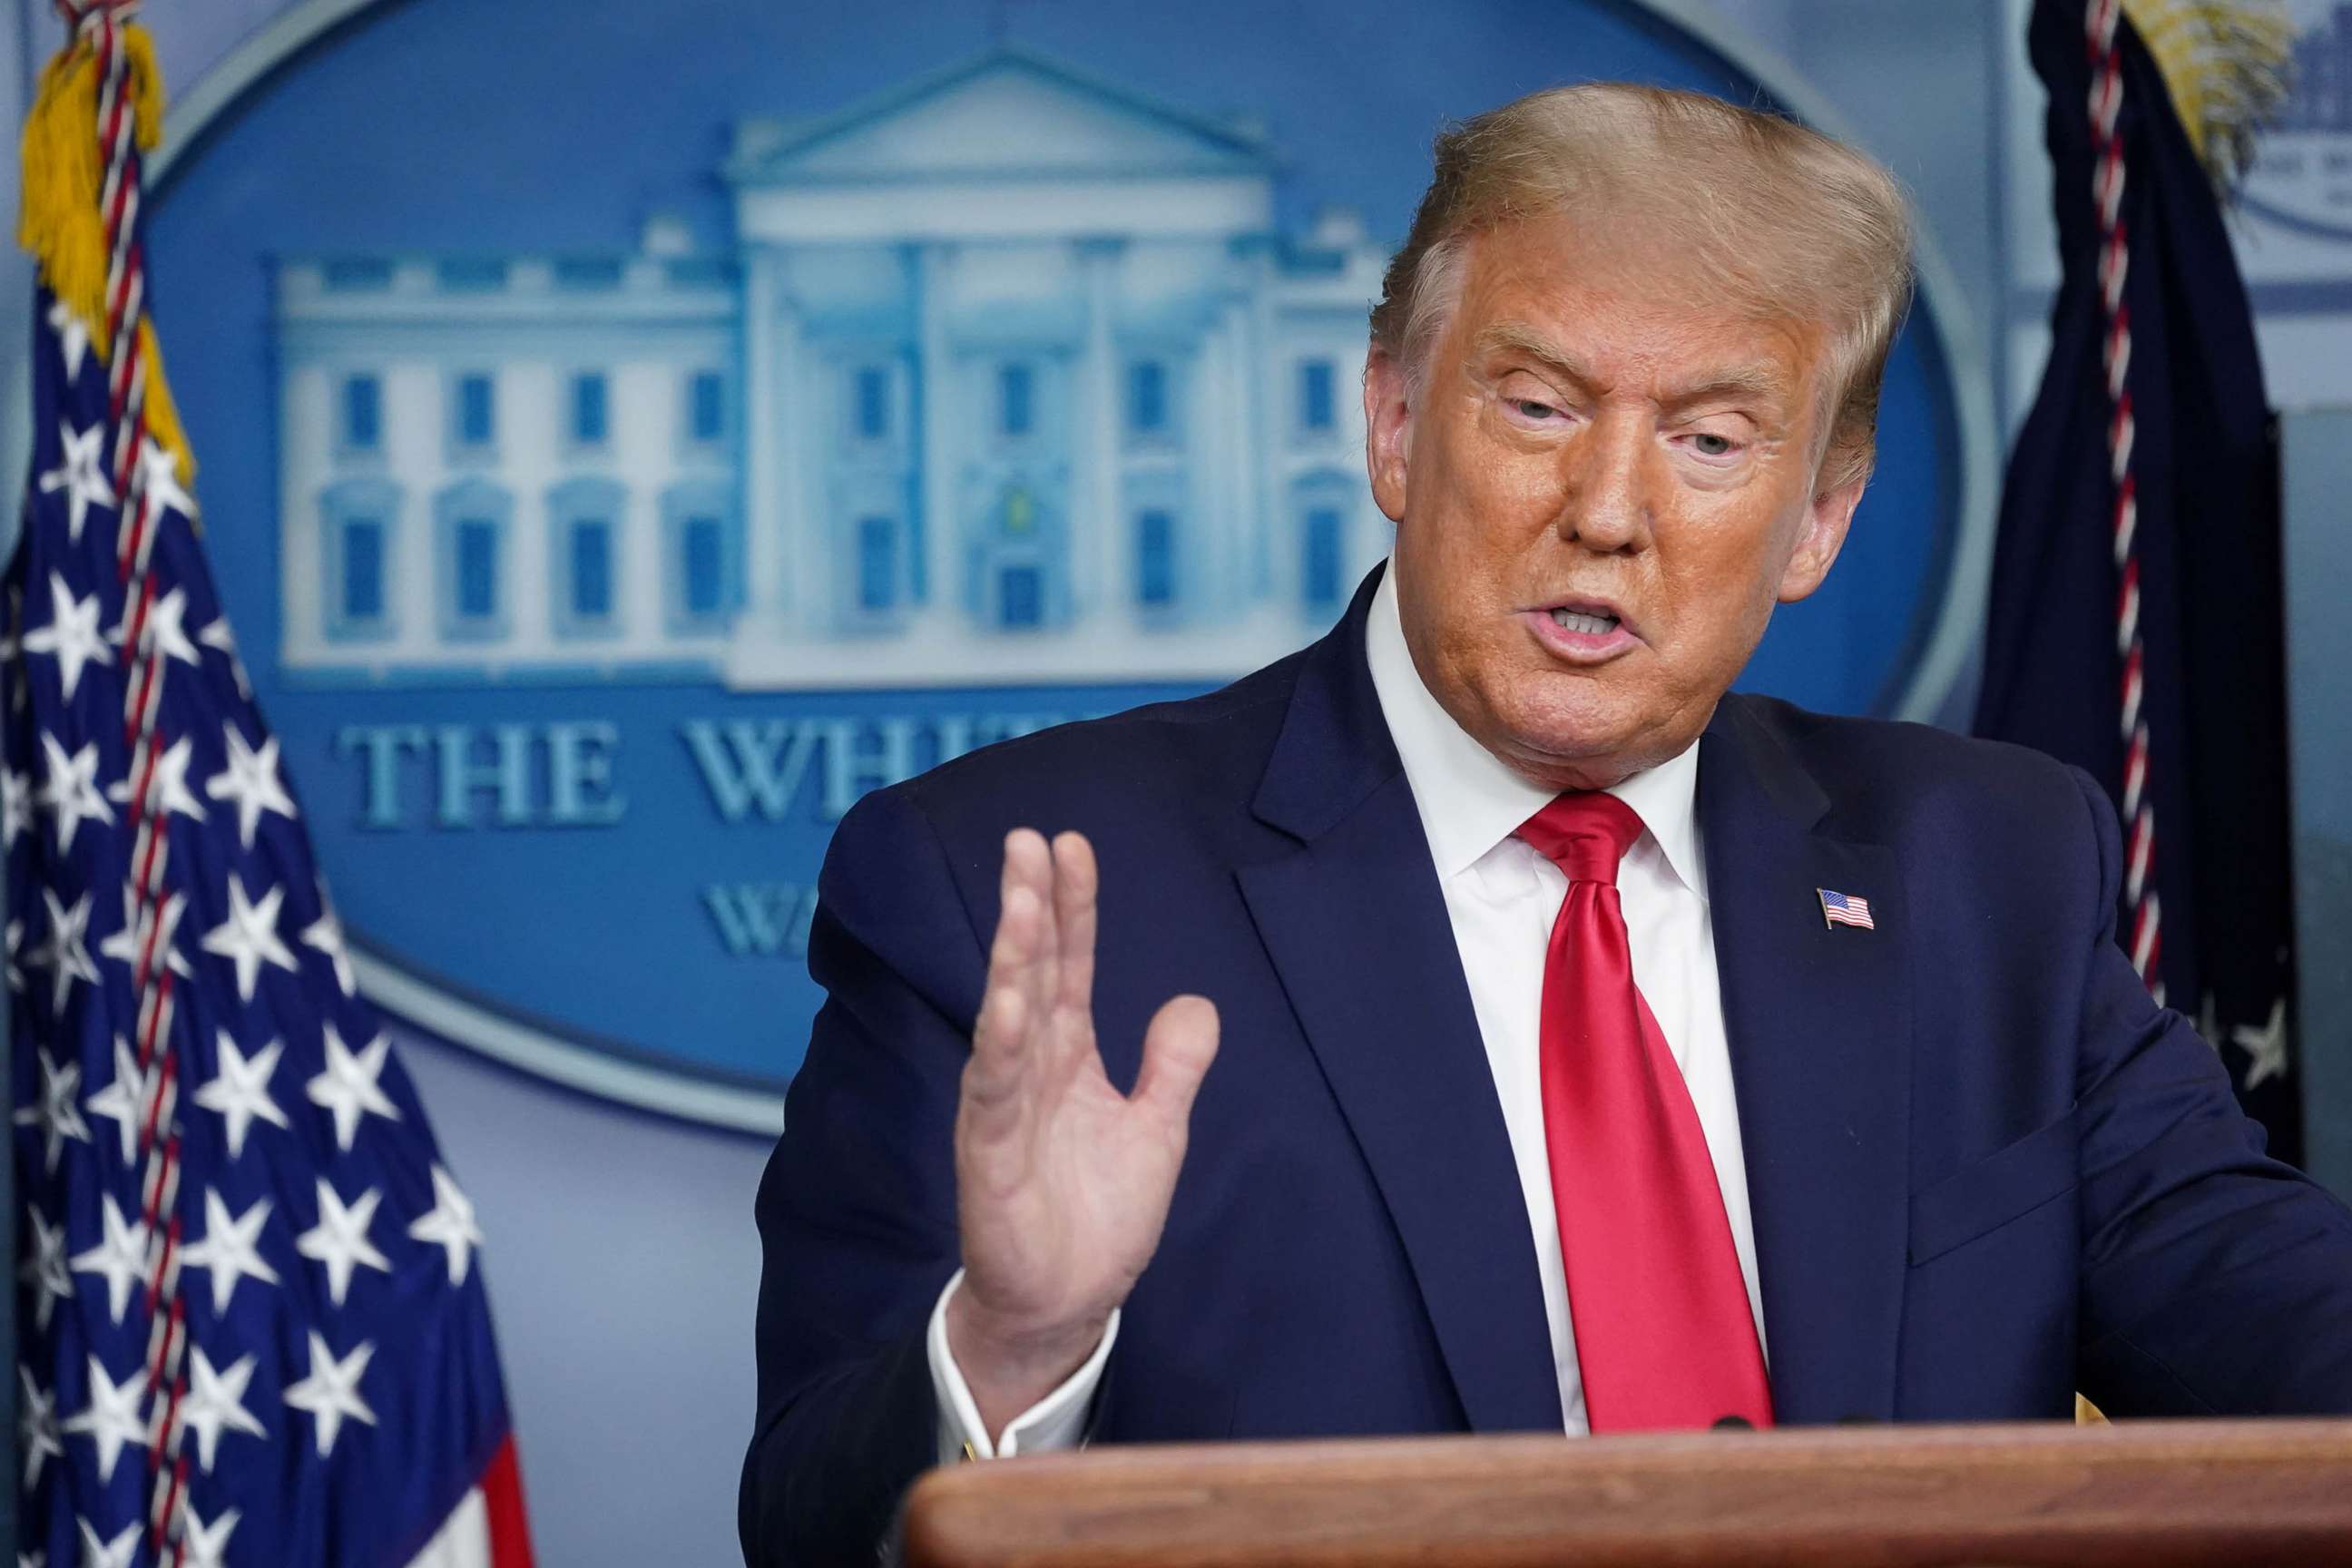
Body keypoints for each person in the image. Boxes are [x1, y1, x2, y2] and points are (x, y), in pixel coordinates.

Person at [739, 82, 2352, 1567]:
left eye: (1713, 441)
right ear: (1392, 425)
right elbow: (811, 1525)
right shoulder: (1007, 887)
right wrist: (1015, 1346)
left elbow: (2257, 1301)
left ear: (1821, 519)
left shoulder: (1984, 866)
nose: (1609, 510)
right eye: (1536, 407)